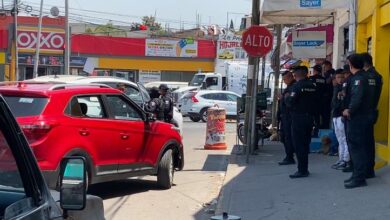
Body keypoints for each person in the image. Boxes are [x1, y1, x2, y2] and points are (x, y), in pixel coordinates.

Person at [343, 54, 370, 189]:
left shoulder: (358, 79)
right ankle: (357, 174)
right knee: (357, 147)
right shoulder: (363, 77)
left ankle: (359, 177)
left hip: (357, 117)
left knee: (356, 147)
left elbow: (357, 97)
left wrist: (349, 110)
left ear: (351, 64)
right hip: (362, 116)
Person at [286, 66, 317, 178]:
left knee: (299, 145)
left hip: (298, 118)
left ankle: (302, 170)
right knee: (305, 144)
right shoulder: (312, 86)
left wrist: (286, 98)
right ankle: (304, 168)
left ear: (296, 75)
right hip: (310, 118)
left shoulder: (297, 86)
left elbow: (290, 102)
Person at [362, 52, 383, 179]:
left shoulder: (369, 76)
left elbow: (365, 97)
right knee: (367, 142)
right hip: (370, 112)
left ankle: (367, 169)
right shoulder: (376, 75)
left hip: (366, 113)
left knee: (365, 142)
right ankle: (368, 169)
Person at [331, 69, 349, 170]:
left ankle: (346, 160)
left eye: (342, 77)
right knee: (339, 139)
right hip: (335, 116)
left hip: (341, 116)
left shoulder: (345, 87)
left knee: (344, 139)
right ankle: (341, 158)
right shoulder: (336, 87)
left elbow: (345, 103)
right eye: (338, 77)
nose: (340, 79)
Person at [277, 70, 296, 165]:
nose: (284, 81)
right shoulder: (289, 87)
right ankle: (289, 155)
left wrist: (283, 98)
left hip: (289, 116)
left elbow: (290, 102)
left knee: (287, 137)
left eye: (285, 79)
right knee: (284, 137)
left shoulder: (293, 87)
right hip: (284, 116)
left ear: (290, 77)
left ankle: (290, 156)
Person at [309, 64, 326, 136]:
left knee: (311, 117)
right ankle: (316, 132)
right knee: (318, 117)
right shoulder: (324, 79)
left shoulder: (311, 78)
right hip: (321, 101)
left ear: (315, 70)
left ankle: (310, 132)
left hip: (312, 101)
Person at [321, 61, 335, 129]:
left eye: (324, 67)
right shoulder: (326, 73)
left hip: (329, 95)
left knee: (327, 113)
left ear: (329, 65)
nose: (324, 68)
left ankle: (326, 126)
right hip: (326, 96)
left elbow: (327, 81)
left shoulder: (332, 72)